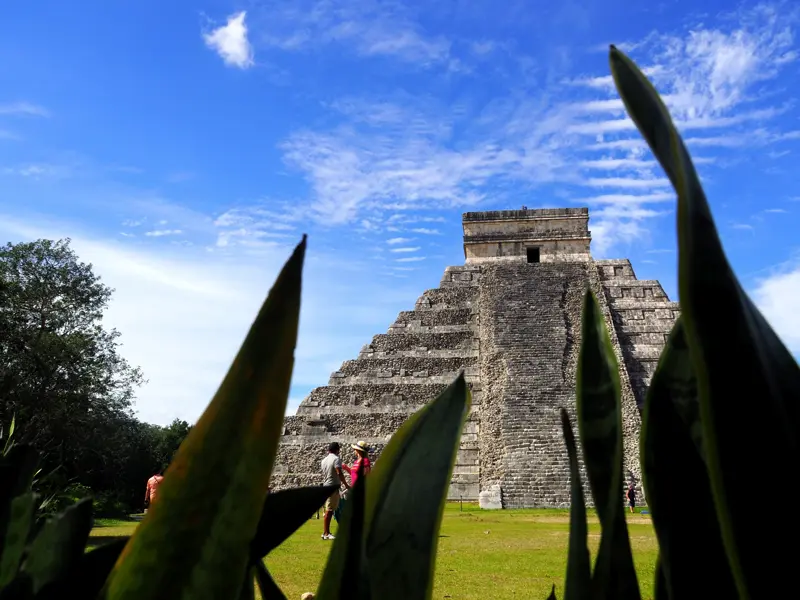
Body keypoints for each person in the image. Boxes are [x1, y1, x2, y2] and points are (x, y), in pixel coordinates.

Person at [321, 442, 349, 540]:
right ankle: (326, 533)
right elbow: (339, 472)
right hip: (333, 486)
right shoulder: (336, 459)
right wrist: (346, 484)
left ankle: (326, 532)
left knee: (330, 509)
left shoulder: (324, 460)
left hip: (326, 485)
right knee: (329, 510)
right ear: (337, 450)